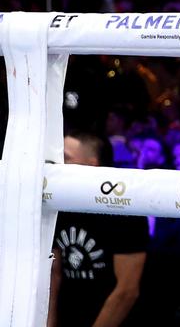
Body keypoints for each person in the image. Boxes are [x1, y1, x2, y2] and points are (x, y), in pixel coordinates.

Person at [49, 131, 147, 327]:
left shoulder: (125, 212)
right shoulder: (58, 205)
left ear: (91, 164)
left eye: (66, 158)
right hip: (68, 317)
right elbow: (54, 274)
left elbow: (126, 291)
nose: (58, 166)